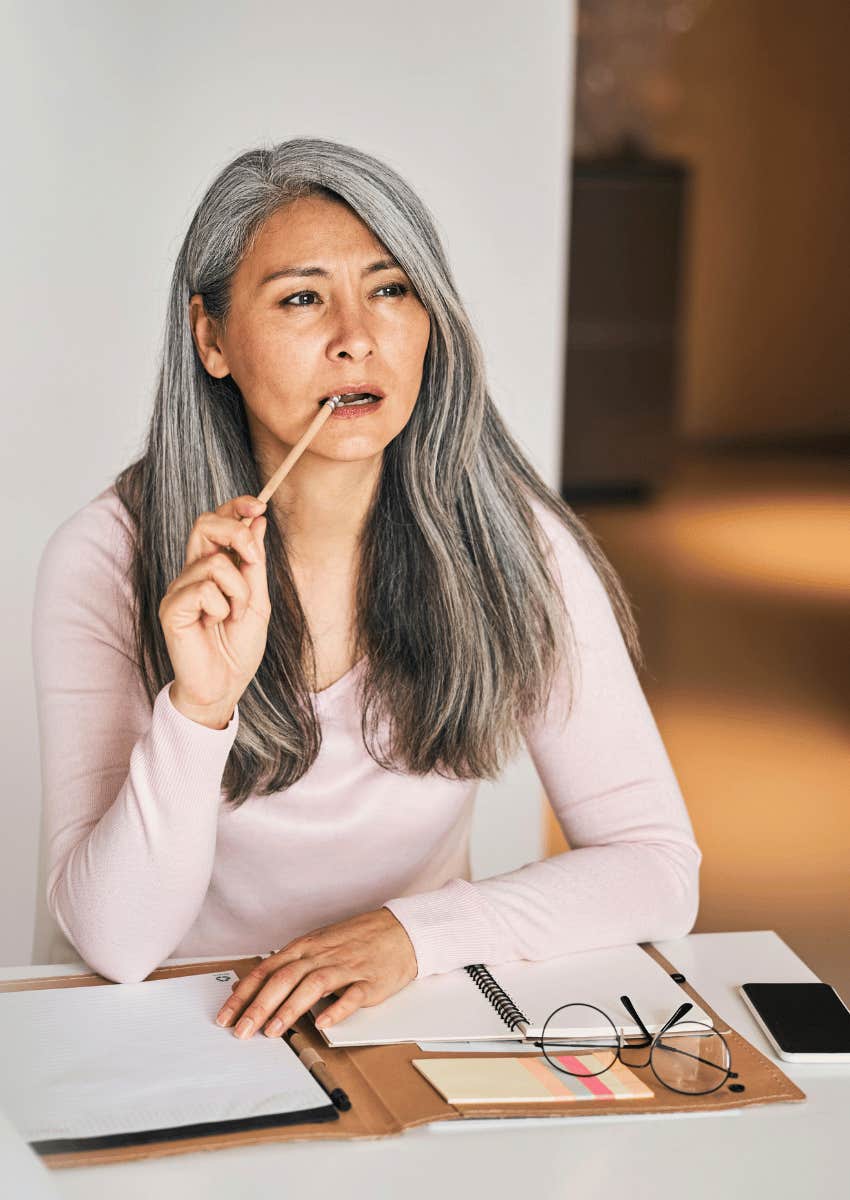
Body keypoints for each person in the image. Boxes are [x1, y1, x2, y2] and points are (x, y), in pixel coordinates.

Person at [32, 137, 701, 1042]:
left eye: (390, 289)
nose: (357, 338)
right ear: (211, 337)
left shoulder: (513, 544)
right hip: (187, 1031)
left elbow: (660, 868)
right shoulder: (105, 557)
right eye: (302, 298)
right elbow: (117, 943)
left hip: (414, 1014)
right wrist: (198, 709)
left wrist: (417, 935)